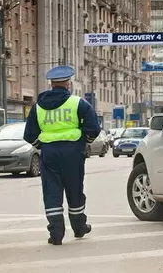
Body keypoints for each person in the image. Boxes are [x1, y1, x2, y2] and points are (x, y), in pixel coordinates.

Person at [24, 65, 100, 245]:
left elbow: (29, 134)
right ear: (68, 83)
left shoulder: (38, 107)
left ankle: (56, 235)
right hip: (73, 152)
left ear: (51, 84)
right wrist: (84, 141)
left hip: (49, 153)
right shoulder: (78, 103)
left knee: (52, 192)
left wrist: (41, 145)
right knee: (75, 190)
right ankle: (79, 228)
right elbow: (93, 129)